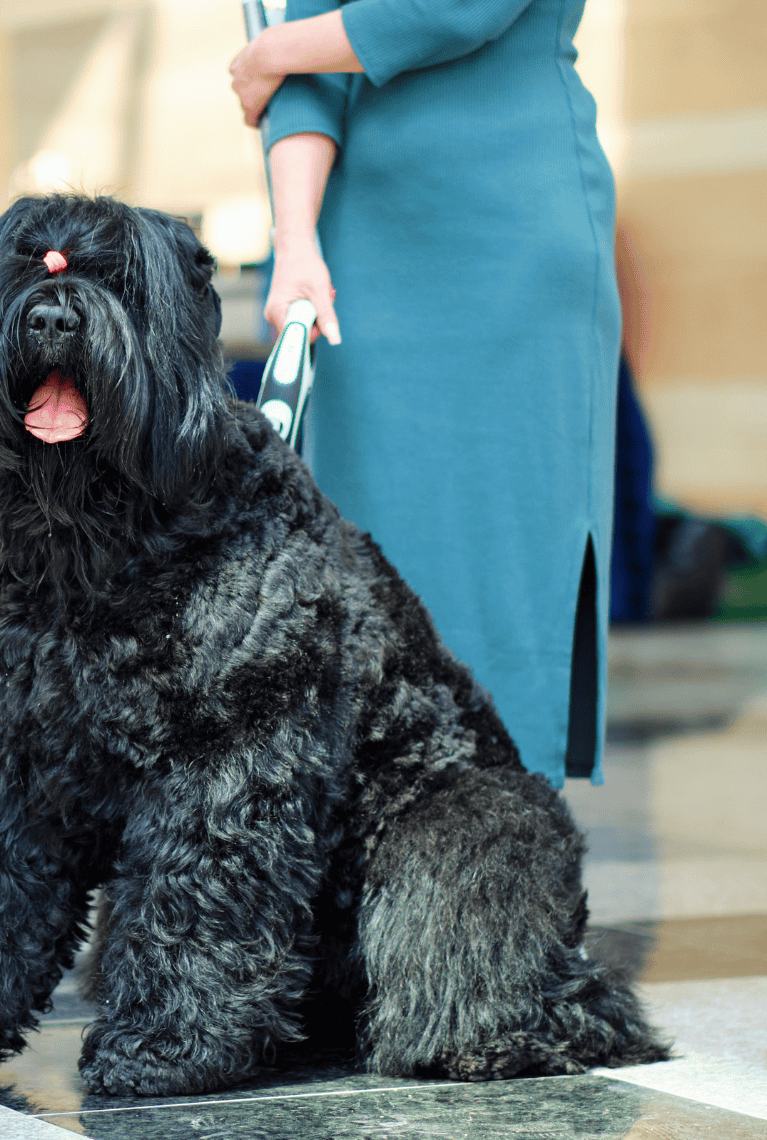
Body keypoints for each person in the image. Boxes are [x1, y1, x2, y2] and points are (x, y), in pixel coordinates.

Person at [230, 0, 620, 786]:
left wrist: (275, 47)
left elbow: (456, 9)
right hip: (362, 257)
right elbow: (304, 75)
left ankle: (501, 846)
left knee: (500, 558)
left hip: (508, 241)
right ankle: (376, 836)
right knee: (368, 550)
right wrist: (296, 241)